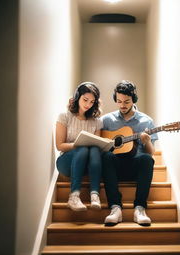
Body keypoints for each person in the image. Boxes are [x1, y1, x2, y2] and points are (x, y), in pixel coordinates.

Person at [101, 80, 158, 226]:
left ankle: (139, 209)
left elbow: (152, 153)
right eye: (119, 101)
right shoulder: (107, 120)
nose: (122, 105)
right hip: (114, 168)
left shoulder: (146, 121)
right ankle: (115, 208)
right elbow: (98, 141)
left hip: (135, 168)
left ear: (134, 99)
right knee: (106, 157)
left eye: (126, 101)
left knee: (147, 160)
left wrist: (146, 141)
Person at [55, 82, 103, 211]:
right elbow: (59, 146)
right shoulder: (64, 116)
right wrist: (77, 145)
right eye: (85, 100)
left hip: (89, 165)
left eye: (92, 102)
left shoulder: (97, 121)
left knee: (94, 148)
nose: (88, 105)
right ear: (77, 97)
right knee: (82, 148)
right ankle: (74, 196)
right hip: (67, 162)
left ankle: (94, 195)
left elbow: (97, 144)